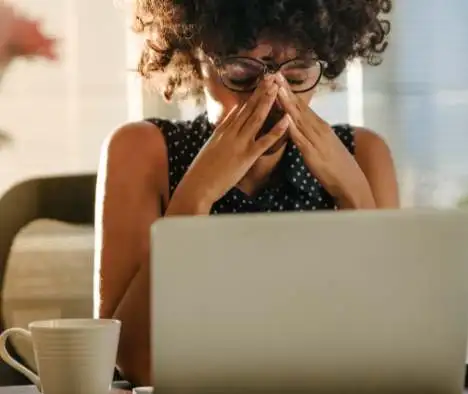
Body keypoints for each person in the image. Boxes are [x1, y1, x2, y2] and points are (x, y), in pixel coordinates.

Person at [95, 0, 398, 385]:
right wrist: (195, 196)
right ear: (195, 56)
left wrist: (353, 194)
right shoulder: (142, 151)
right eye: (241, 72)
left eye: (299, 72)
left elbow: (388, 353)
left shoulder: (364, 155)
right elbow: (136, 363)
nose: (271, 97)